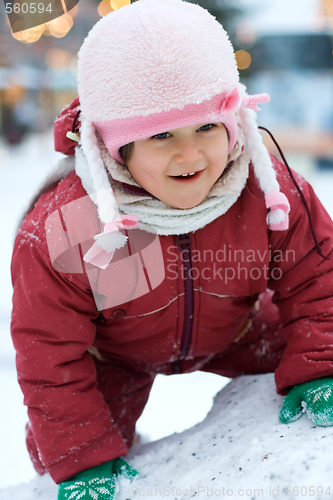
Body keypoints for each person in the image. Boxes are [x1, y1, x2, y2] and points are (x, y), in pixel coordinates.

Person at [10, 0, 333, 498]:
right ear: (116, 148)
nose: (190, 154)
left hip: (238, 327)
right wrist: (79, 457)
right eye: (161, 135)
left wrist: (320, 366)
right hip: (113, 354)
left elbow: (317, 276)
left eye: (207, 127)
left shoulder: (267, 192)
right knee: (67, 450)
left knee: (310, 359)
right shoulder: (74, 226)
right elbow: (48, 348)